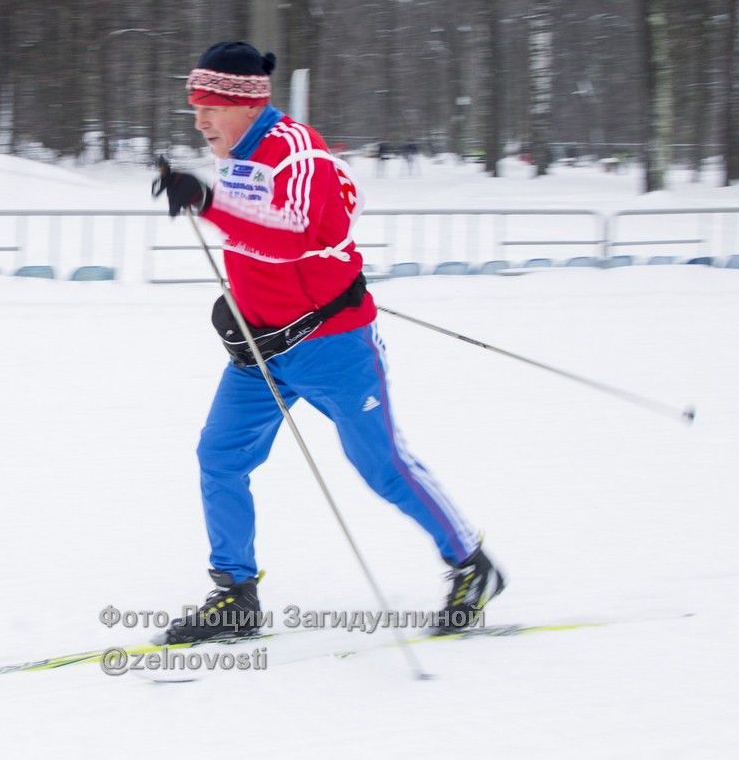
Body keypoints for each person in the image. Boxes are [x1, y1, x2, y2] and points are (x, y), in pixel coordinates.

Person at [150, 41, 504, 644]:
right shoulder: (236, 153)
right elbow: (253, 246)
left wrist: (208, 204)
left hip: (334, 348)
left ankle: (472, 563)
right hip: (261, 354)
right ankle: (235, 593)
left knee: (382, 467)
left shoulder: (296, 155)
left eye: (211, 105)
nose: (200, 119)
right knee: (220, 456)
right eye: (195, 106)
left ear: (247, 102)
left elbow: (293, 237)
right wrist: (242, 304)